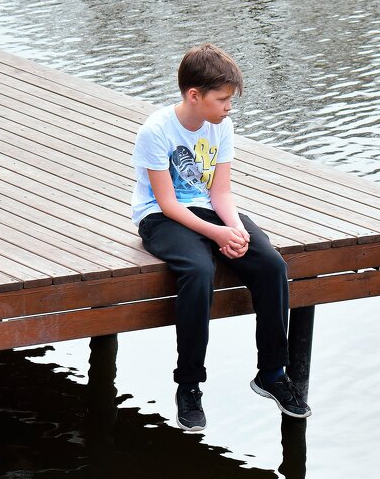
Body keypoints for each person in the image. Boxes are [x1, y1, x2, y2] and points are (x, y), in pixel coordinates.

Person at [131, 43, 311, 431]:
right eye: (223, 99)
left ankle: (272, 373)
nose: (229, 107)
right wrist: (217, 234)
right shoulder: (156, 131)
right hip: (162, 218)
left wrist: (237, 232)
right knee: (198, 271)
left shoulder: (222, 126)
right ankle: (190, 384)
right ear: (194, 96)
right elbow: (166, 203)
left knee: (271, 265)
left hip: (210, 210)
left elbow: (221, 192)